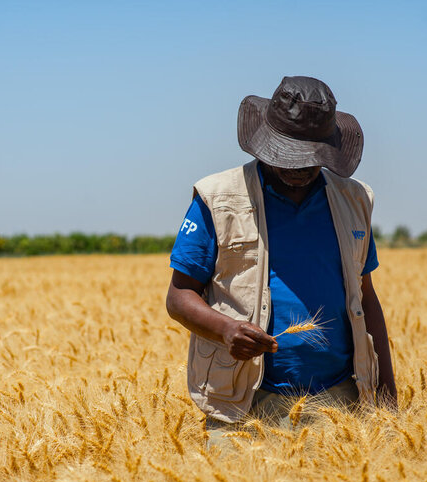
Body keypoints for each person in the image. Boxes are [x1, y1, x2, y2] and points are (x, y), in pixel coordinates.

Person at [165, 76, 396, 444]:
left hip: (340, 404)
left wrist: (387, 397)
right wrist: (226, 330)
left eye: (310, 157)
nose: (299, 167)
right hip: (241, 403)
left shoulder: (354, 200)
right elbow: (179, 297)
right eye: (287, 153)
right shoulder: (217, 198)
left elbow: (366, 298)